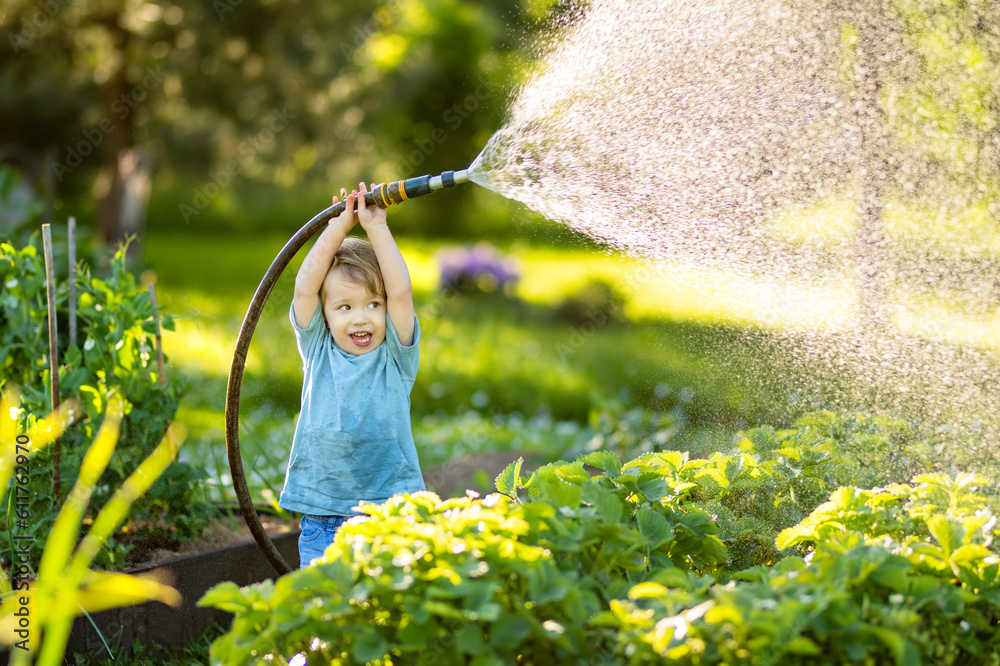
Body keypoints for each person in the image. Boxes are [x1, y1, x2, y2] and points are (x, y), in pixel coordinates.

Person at [279, 181, 425, 566]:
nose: (360, 317)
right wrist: (336, 229)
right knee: (325, 612)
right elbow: (304, 289)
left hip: (387, 514)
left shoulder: (396, 354)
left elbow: (402, 292)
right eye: (344, 307)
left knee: (381, 612)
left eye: (372, 304)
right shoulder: (317, 349)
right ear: (326, 316)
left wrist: (377, 229)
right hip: (322, 517)